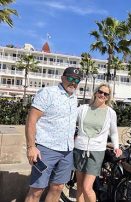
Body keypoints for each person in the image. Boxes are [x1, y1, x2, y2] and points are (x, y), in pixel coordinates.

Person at [25, 67, 81, 202]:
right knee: (37, 190)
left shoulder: (74, 98)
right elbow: (31, 121)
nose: (73, 82)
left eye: (77, 80)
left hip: (67, 151)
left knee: (58, 187)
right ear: (62, 78)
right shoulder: (47, 93)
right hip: (46, 149)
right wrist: (31, 147)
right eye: (71, 78)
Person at [74, 83, 122, 202]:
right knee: (79, 187)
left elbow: (114, 132)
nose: (102, 95)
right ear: (95, 92)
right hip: (79, 148)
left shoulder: (110, 112)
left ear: (108, 97)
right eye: (100, 92)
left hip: (96, 151)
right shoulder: (83, 108)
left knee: (87, 187)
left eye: (106, 94)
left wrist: (117, 147)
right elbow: (68, 122)